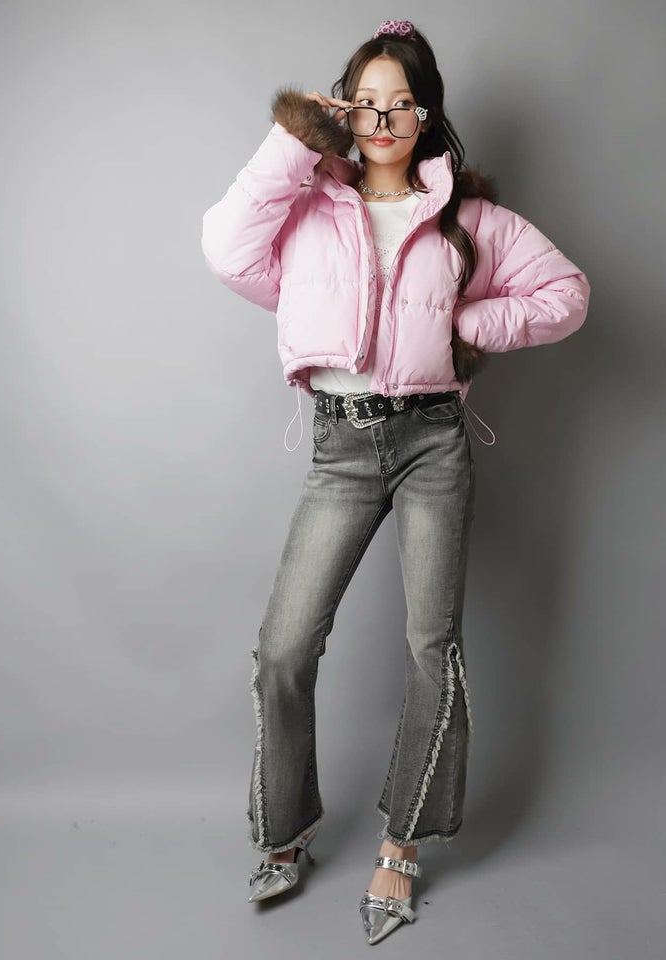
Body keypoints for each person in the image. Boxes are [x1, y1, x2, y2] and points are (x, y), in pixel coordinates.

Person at [201, 19, 590, 946]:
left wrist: (469, 328)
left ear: (426, 115)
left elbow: (566, 294)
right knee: (284, 649)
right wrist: (296, 139)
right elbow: (226, 250)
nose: (383, 120)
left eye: (401, 103)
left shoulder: (469, 221)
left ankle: (402, 845)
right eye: (365, 103)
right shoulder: (309, 209)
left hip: (431, 444)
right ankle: (284, 829)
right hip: (340, 447)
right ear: (345, 110)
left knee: (431, 647)